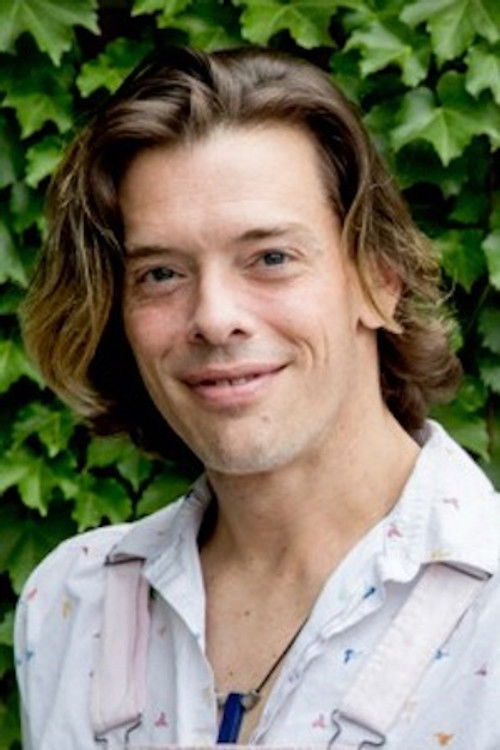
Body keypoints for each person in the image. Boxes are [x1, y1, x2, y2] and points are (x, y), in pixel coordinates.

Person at [14, 46, 500, 750]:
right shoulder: (72, 603)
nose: (214, 317)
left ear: (379, 279)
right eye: (161, 273)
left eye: (271, 258)